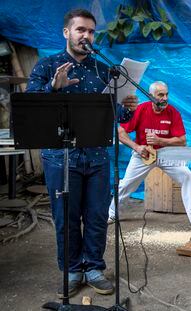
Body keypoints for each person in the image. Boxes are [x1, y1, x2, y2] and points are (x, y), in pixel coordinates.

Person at [26, 9, 138, 298]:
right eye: (80, 30)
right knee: (66, 216)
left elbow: (119, 118)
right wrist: (54, 88)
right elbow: (30, 107)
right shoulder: (47, 66)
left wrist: (127, 107)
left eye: (90, 31)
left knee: (98, 215)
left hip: (98, 156)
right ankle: (72, 270)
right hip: (60, 157)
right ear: (67, 32)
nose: (86, 36)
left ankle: (94, 268)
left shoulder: (104, 70)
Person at [108, 81, 191, 229]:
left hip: (166, 153)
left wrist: (160, 140)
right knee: (126, 184)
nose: (165, 98)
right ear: (151, 96)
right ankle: (112, 213)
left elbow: (182, 141)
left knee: (186, 175)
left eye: (167, 94)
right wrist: (136, 147)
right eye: (160, 95)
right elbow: (120, 131)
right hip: (144, 153)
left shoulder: (173, 112)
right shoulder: (141, 109)